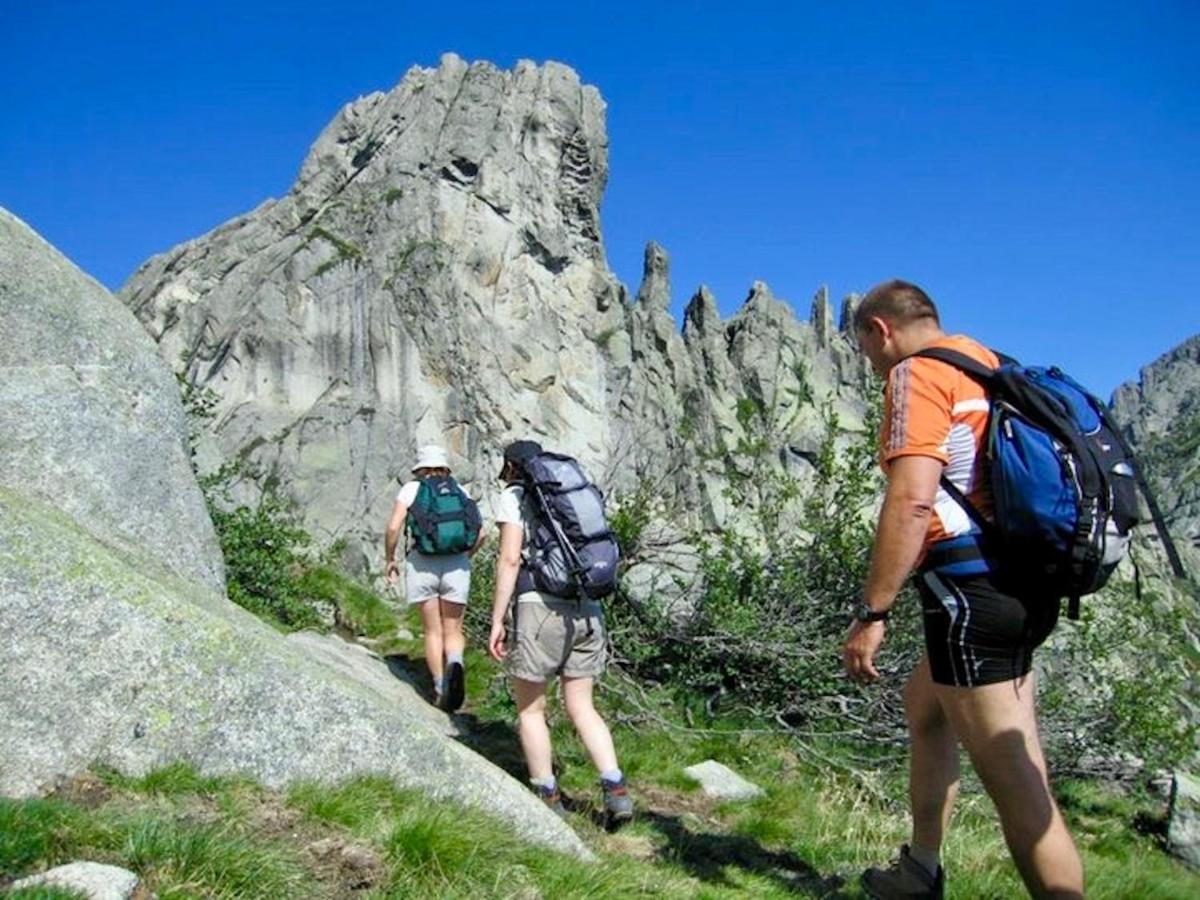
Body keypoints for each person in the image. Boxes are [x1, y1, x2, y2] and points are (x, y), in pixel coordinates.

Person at [842, 280, 1084, 899]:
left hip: (970, 599)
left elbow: (913, 497)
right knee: (924, 707)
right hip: (1021, 585)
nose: (870, 365)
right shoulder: (987, 362)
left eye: (866, 348)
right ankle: (920, 871)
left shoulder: (917, 375)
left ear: (880, 331)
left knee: (1018, 789)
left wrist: (874, 610)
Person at [486, 439, 633, 825]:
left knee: (531, 710)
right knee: (582, 707)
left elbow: (509, 558)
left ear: (512, 467)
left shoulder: (516, 497)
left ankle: (546, 798)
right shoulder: (572, 492)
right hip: (588, 607)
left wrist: (497, 618)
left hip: (541, 608)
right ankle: (615, 788)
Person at [385, 445, 483, 712]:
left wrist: (390, 559)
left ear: (420, 468)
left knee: (432, 630)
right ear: (444, 467)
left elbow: (394, 526)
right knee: (453, 629)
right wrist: (465, 556)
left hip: (422, 563)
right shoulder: (459, 490)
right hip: (457, 564)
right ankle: (456, 662)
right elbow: (481, 531)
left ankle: (440, 687)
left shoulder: (412, 490)